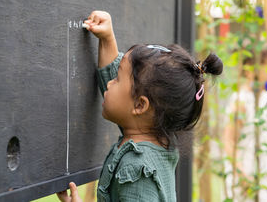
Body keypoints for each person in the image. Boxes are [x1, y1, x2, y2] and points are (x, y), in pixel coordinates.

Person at [56, 10, 223, 202]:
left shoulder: (137, 170)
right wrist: (107, 39)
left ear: (140, 105)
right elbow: (122, 100)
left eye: (117, 79)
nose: (110, 83)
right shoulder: (154, 138)